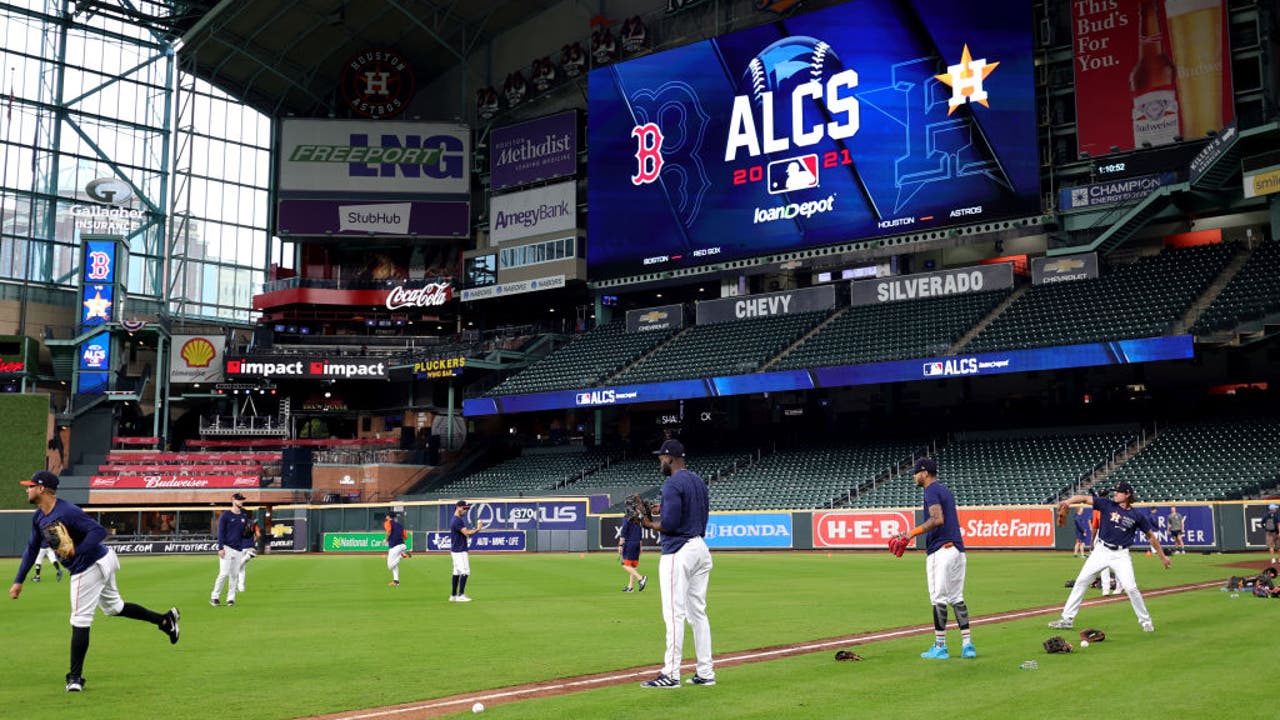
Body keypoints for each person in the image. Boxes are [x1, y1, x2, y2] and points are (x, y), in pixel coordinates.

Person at [9, 470, 179, 692]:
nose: (27, 489)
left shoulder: (67, 511)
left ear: (41, 489)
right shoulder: (39, 516)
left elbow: (98, 531)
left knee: (80, 619)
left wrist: (78, 552)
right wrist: (19, 580)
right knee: (115, 607)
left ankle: (75, 678)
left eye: (30, 486)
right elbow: (32, 549)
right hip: (103, 560)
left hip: (89, 566)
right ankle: (165, 620)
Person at [638, 438, 714, 688]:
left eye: (661, 457)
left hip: (678, 551)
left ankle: (671, 674)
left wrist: (648, 523)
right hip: (700, 548)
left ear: (670, 458)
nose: (660, 461)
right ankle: (705, 673)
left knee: (674, 613)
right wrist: (664, 507)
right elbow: (696, 514)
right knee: (698, 614)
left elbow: (669, 525)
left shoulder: (672, 483)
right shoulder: (698, 481)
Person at [1049, 482, 1170, 632]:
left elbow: (1151, 536)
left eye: (1118, 492)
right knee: (1081, 581)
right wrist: (1067, 501)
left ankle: (1146, 622)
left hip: (1121, 555)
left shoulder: (1136, 516)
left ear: (1127, 495)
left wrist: (1162, 556)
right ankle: (1067, 619)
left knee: (1131, 588)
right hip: (1101, 550)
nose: (1115, 494)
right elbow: (1083, 498)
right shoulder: (1106, 504)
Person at [894, 457, 975, 660]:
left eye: (916, 472)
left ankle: (940, 646)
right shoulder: (944, 490)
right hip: (957, 550)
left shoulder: (930, 490)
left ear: (925, 473)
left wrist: (911, 533)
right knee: (957, 597)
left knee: (938, 599)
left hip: (941, 551)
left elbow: (938, 519)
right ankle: (967, 645)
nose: (913, 476)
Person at [210, 493, 253, 607]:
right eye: (239, 500)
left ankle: (230, 599)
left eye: (242, 500)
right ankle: (214, 596)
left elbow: (243, 534)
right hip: (226, 547)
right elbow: (220, 532)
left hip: (238, 548)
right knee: (224, 573)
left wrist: (249, 533)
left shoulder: (244, 516)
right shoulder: (226, 515)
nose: (241, 502)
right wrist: (220, 547)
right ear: (233, 500)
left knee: (234, 575)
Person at [449, 501, 485, 602]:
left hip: (455, 550)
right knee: (465, 571)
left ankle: (453, 595)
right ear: (458, 508)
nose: (465, 510)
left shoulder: (455, 519)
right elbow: (467, 533)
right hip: (460, 550)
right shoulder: (457, 520)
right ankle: (460, 595)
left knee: (456, 572)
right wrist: (478, 529)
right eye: (464, 508)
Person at [618, 515, 647, 593]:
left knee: (624, 564)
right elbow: (640, 534)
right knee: (632, 566)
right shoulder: (638, 519)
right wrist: (640, 546)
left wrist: (620, 545)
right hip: (637, 543)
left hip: (629, 544)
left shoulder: (626, 518)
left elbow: (623, 532)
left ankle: (641, 578)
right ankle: (630, 587)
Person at [237, 510, 261, 593]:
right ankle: (241, 588)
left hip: (241, 547)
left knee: (237, 567)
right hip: (251, 547)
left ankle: (248, 556)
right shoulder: (253, 523)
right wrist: (254, 541)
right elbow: (258, 535)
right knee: (242, 568)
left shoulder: (238, 523)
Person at [385, 511, 411, 587]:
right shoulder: (400, 525)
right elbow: (405, 536)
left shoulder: (388, 522)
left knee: (390, 566)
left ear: (389, 517)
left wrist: (386, 539)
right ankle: (396, 581)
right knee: (395, 565)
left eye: (386, 516)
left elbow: (389, 531)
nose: (386, 517)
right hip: (402, 545)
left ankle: (402, 556)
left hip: (394, 547)